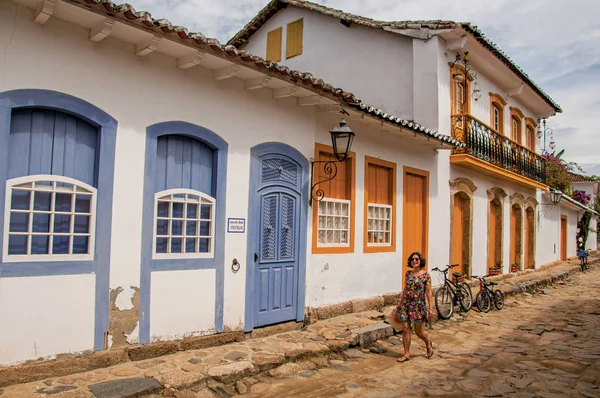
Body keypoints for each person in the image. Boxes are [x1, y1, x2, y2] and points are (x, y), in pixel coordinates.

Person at [388, 251, 434, 362]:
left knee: (419, 332)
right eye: (412, 259)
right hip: (406, 305)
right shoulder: (408, 274)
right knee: (405, 329)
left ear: (420, 261)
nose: (414, 261)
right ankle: (406, 354)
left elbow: (428, 292)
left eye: (416, 259)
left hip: (418, 306)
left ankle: (428, 343)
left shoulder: (426, 275)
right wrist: (400, 304)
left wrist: (431, 308)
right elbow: (405, 289)